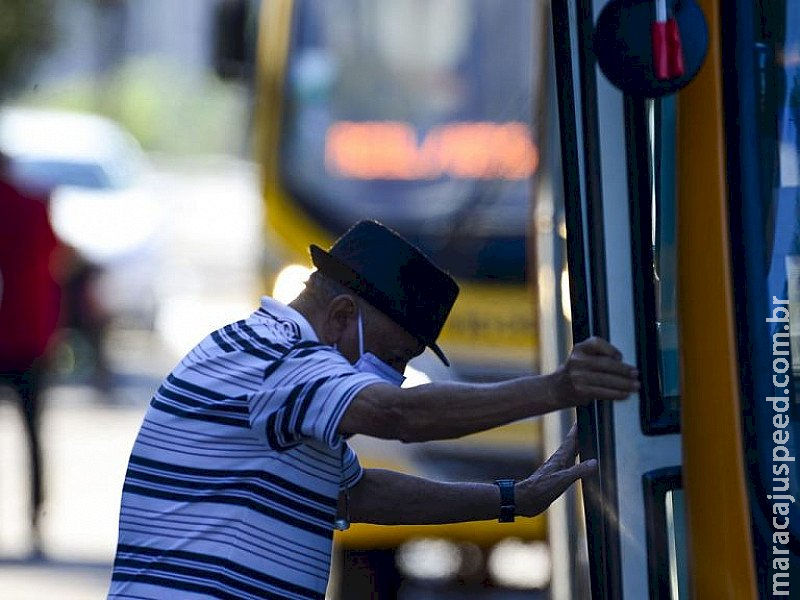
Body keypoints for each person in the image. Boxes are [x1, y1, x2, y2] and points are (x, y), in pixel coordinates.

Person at [108, 220, 639, 599]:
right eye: (392, 358)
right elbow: (398, 415)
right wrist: (557, 390)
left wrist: (511, 499)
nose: (396, 377)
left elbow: (356, 494)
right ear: (341, 315)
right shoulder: (284, 359)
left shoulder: (272, 365)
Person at [0, 152, 62, 555]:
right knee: (33, 432)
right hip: (30, 335)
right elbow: (57, 262)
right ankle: (36, 520)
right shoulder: (35, 204)